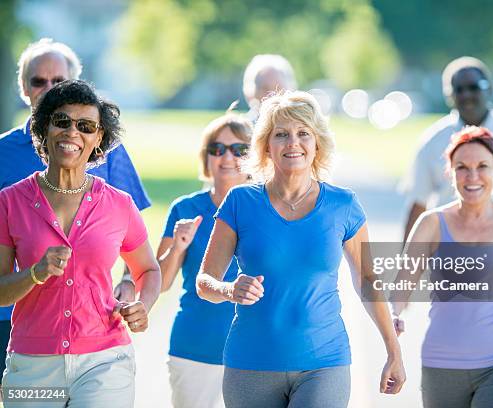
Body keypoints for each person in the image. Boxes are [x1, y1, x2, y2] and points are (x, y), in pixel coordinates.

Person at [196, 91, 405, 408]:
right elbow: (204, 282)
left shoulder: (343, 205)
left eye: (303, 133)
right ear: (267, 145)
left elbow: (367, 279)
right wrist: (228, 289)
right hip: (250, 362)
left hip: (324, 362)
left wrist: (393, 350)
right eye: (281, 134)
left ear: (317, 143)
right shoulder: (240, 202)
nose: (293, 143)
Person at [0, 79, 161, 407]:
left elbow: (147, 269)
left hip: (105, 361)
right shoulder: (9, 202)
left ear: (98, 138)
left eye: (86, 126)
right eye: (62, 121)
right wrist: (35, 272)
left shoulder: (119, 204)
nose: (73, 132)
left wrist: (143, 304)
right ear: (44, 128)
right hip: (32, 364)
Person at [393, 126, 493, 408]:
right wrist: (394, 314)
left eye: (483, 166)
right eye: (462, 167)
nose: (472, 176)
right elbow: (404, 281)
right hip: (442, 361)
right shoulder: (431, 224)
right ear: (449, 173)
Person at [399, 56, 493, 270]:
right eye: (458, 89)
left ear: (489, 89)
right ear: (448, 95)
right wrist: (407, 266)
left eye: (473, 87)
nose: (466, 94)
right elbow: (417, 205)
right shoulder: (432, 140)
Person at [157, 113, 252, 408]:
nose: (227, 157)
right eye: (218, 148)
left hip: (255, 353)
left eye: (239, 150)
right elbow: (159, 284)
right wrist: (177, 247)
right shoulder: (184, 209)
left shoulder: (268, 207)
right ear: (206, 156)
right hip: (194, 348)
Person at [242, 54, 297, 121]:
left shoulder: (303, 125)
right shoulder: (244, 129)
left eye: (278, 88)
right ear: (253, 92)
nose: (272, 94)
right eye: (265, 88)